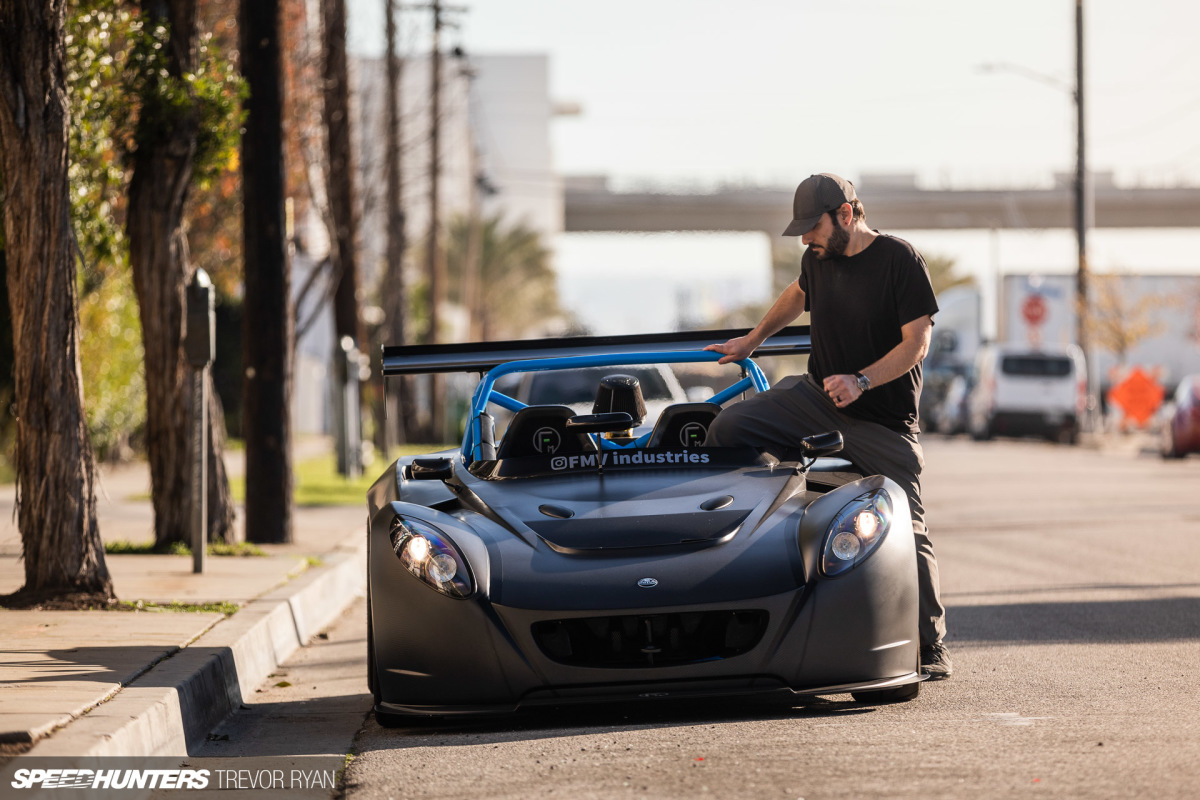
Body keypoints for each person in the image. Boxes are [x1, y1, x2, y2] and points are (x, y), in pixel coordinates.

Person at [703, 172, 952, 679]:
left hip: (883, 423)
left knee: (909, 523)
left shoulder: (900, 260)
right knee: (729, 429)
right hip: (816, 401)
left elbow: (916, 345)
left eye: (811, 227)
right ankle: (753, 551)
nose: (804, 239)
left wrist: (863, 380)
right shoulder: (817, 258)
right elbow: (797, 296)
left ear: (846, 214)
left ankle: (931, 646)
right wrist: (751, 341)